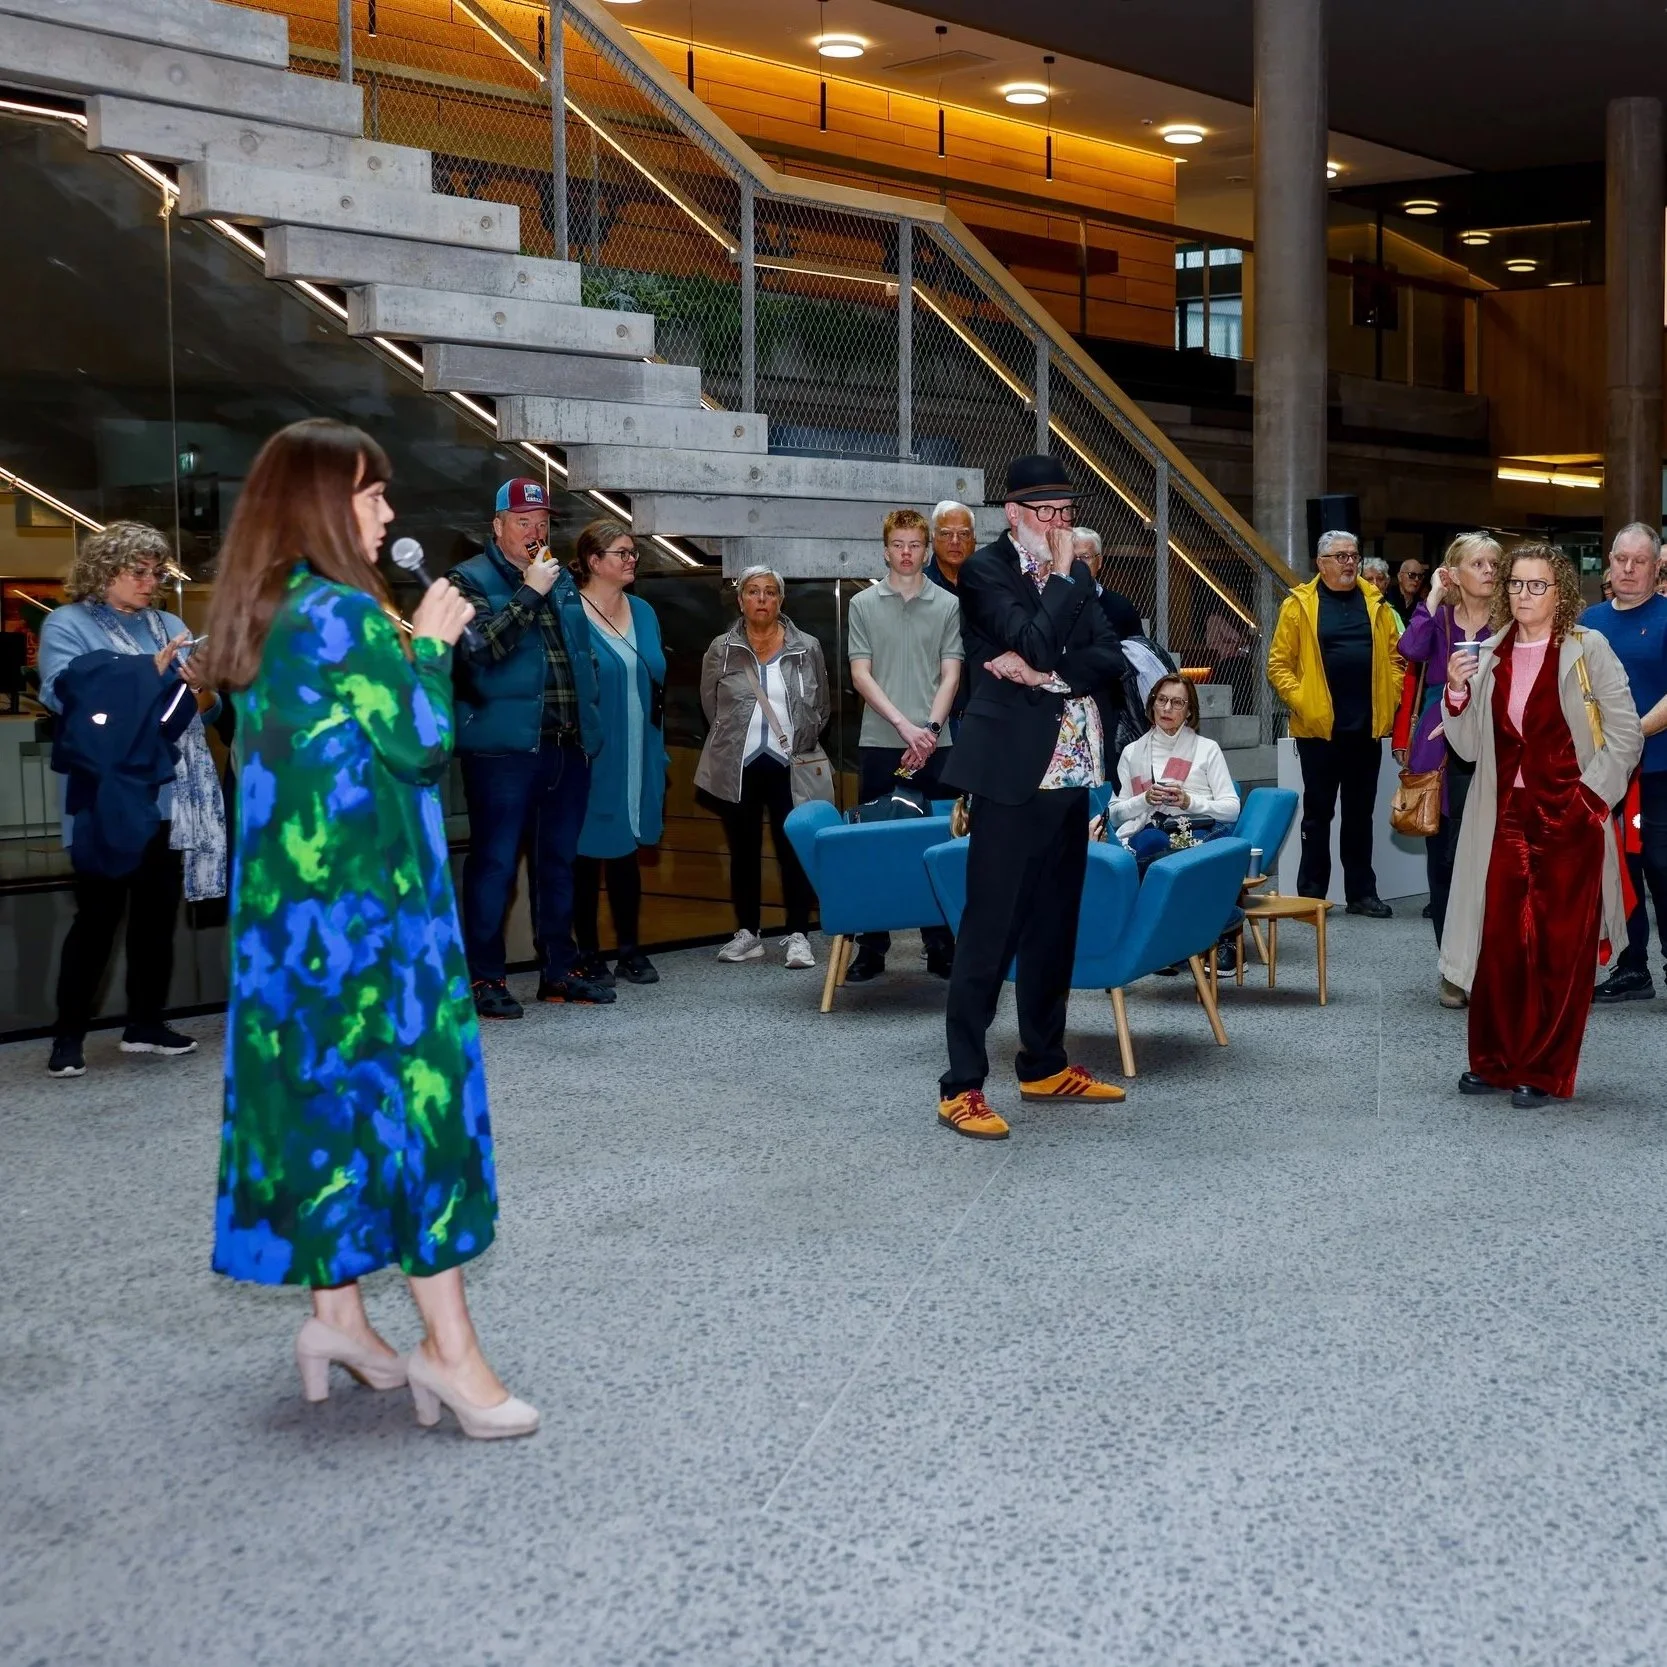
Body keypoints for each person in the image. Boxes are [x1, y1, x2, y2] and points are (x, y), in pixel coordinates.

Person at [203, 417, 536, 1439]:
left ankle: (338, 1319)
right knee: (414, 1113)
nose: (387, 511)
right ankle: (451, 1350)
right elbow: (419, 746)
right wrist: (429, 645)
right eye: (371, 493)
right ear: (320, 503)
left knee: (323, 1109)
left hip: (290, 932)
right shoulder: (345, 613)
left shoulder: (263, 609)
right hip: (371, 923)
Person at [936, 454, 1128, 1140]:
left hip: (1072, 774)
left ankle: (1044, 1064)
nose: (1059, 524)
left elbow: (1108, 654)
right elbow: (1037, 640)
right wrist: (1065, 588)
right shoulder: (985, 571)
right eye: (1046, 512)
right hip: (1012, 778)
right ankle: (960, 1085)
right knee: (989, 934)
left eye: (1067, 513)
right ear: (1014, 513)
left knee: (1053, 929)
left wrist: (1044, 672)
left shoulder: (1074, 578)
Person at [1440, 542, 1641, 1107]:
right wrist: (1456, 691)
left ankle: (1545, 1068)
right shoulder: (1490, 652)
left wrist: (1589, 802)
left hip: (1571, 814)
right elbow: (1469, 748)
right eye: (1515, 584)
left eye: (1537, 585)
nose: (1523, 594)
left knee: (1559, 948)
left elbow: (1625, 734)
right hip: (1504, 815)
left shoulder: (1587, 647)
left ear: (1560, 593)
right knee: (1500, 942)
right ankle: (1495, 1059)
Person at [37, 521, 226, 1078]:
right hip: (105, 795)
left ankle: (145, 1024)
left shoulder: (168, 624)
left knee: (154, 917)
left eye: (157, 573)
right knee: (96, 918)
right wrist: (150, 672)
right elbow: (62, 694)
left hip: (169, 793)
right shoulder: (67, 623)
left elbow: (205, 709)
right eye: (138, 572)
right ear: (103, 571)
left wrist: (203, 685)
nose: (151, 583)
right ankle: (67, 1037)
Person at [448, 477, 608, 1019]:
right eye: (522, 522)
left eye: (541, 523)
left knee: (558, 863)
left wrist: (589, 723)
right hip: (502, 752)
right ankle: (485, 978)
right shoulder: (466, 579)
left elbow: (580, 655)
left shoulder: (559, 580)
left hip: (565, 744)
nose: (534, 532)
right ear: (497, 526)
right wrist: (530, 592)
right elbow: (481, 651)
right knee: (494, 865)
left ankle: (559, 971)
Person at [844, 508, 964, 983]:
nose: (907, 553)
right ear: (885, 550)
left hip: (938, 742)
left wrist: (928, 731)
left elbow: (951, 674)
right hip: (881, 740)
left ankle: (940, 943)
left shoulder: (948, 604)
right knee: (875, 844)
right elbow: (860, 674)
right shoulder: (863, 604)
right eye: (899, 545)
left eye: (915, 544)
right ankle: (872, 946)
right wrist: (904, 727)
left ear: (927, 549)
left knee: (938, 842)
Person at [695, 565, 828, 970]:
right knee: (743, 850)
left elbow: (821, 706)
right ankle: (748, 933)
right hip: (741, 764)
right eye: (753, 592)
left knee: (793, 850)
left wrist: (802, 739)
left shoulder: (807, 647)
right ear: (740, 601)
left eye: (770, 592)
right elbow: (710, 704)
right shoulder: (721, 649)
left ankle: (799, 935)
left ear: (780, 600)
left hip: (791, 764)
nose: (762, 599)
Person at [1267, 528, 1402, 916]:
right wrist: (1304, 702)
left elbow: (1397, 660)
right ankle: (1311, 896)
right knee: (1318, 816)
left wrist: (1391, 696)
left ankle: (1361, 894)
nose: (1349, 563)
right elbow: (1278, 665)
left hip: (1366, 729)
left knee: (1360, 816)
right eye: (1340, 557)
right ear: (1320, 563)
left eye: (1354, 556)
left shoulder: (1376, 603)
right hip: (1319, 732)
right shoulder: (1299, 605)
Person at [1393, 532, 1501, 1006]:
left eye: (1494, 564)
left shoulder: (1509, 619)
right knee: (1445, 861)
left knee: (1491, 859)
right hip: (1441, 748)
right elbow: (1411, 649)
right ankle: (1452, 968)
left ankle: (1489, 964)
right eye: (1478, 564)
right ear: (1454, 572)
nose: (1489, 571)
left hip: (1495, 744)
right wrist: (1433, 594)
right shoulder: (1438, 618)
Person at [570, 519, 669, 988]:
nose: (632, 560)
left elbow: (656, 674)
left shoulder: (644, 611)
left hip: (640, 748)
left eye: (633, 553)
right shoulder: (570, 612)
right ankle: (587, 952)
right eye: (622, 553)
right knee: (588, 853)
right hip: (593, 752)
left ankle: (630, 949)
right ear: (594, 561)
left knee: (628, 849)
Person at [1582, 523, 1667, 1003]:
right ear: (1609, 562)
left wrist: (1628, 737)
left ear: (1657, 567)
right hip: (1601, 772)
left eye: (1640, 561)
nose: (1629, 569)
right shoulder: (1589, 620)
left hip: (1657, 769)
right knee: (1617, 869)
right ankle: (1632, 967)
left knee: (1660, 866)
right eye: (1621, 559)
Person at [1104, 674, 1241, 864]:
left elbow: (1232, 809)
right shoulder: (1132, 752)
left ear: (1189, 711)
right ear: (1152, 704)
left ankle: (1169, 867)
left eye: (1177, 703)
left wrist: (1188, 802)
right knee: (1152, 841)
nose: (1167, 708)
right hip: (1151, 829)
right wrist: (1145, 799)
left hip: (1197, 827)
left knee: (1191, 844)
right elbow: (1114, 815)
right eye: (1161, 699)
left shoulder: (1208, 749)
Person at [924, 499, 975, 593]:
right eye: (946, 534)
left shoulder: (987, 584)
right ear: (933, 538)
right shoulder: (918, 585)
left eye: (963, 534)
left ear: (974, 540)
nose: (955, 541)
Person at [1391, 556, 1430, 625]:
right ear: (1400, 577)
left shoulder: (1422, 605)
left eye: (1420, 576)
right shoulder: (1388, 598)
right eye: (1412, 575)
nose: (1416, 579)